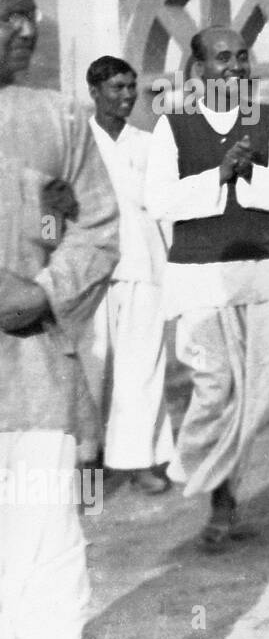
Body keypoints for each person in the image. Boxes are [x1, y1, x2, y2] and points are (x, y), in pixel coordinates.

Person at [0, 0, 119, 639]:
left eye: (28, 14)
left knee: (46, 540)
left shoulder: (59, 117)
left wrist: (42, 293)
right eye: (6, 17)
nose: (24, 29)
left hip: (37, 375)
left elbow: (101, 229)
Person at [144, 25, 269, 551]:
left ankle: (223, 498)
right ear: (197, 70)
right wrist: (217, 175)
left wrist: (246, 174)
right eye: (221, 58)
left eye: (242, 57)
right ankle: (194, 470)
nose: (234, 67)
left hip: (256, 272)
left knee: (256, 398)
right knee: (215, 386)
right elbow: (160, 202)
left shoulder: (268, 120)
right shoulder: (174, 125)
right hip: (199, 277)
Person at [84, 55, 175, 494]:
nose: (125, 96)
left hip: (144, 265)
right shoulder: (77, 141)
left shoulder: (151, 141)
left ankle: (139, 460)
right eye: (116, 88)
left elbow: (165, 211)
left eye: (130, 88)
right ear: (94, 91)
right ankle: (87, 460)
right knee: (91, 366)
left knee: (142, 367)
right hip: (89, 271)